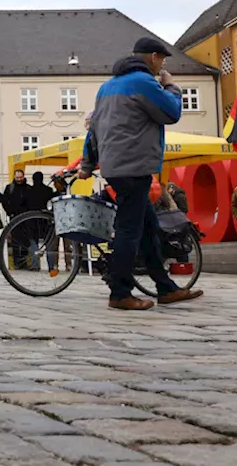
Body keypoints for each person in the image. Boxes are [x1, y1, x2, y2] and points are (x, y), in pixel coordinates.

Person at [80, 37, 202, 310]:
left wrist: (87, 165)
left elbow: (94, 131)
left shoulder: (106, 87)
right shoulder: (142, 82)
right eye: (163, 60)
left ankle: (165, 287)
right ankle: (120, 292)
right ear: (155, 58)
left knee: (148, 228)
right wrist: (170, 85)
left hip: (115, 166)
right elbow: (171, 112)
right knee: (128, 231)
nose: (163, 65)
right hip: (134, 166)